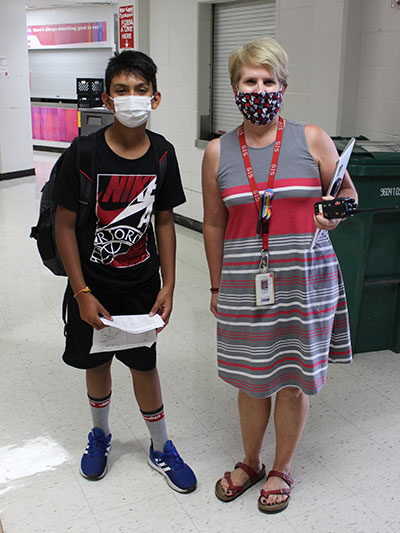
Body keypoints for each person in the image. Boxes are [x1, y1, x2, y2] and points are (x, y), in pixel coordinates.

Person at [202, 37, 357, 513]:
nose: (260, 88)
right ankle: (250, 461)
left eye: (270, 80)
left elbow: (345, 193)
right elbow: (213, 223)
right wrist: (215, 285)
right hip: (245, 283)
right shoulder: (217, 153)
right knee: (252, 380)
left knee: (290, 380)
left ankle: (280, 468)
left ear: (283, 86)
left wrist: (335, 212)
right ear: (235, 87)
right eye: (251, 80)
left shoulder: (311, 138)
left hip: (305, 282)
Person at [53, 50, 197, 493]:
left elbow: (165, 220)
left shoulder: (163, 154)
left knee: (144, 366)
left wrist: (169, 284)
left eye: (140, 90)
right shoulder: (84, 152)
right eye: (121, 90)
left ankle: (160, 446)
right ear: (107, 99)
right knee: (95, 364)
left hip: (140, 287)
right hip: (91, 288)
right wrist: (80, 293)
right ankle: (100, 434)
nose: (131, 98)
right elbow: (63, 224)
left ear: (155, 99)